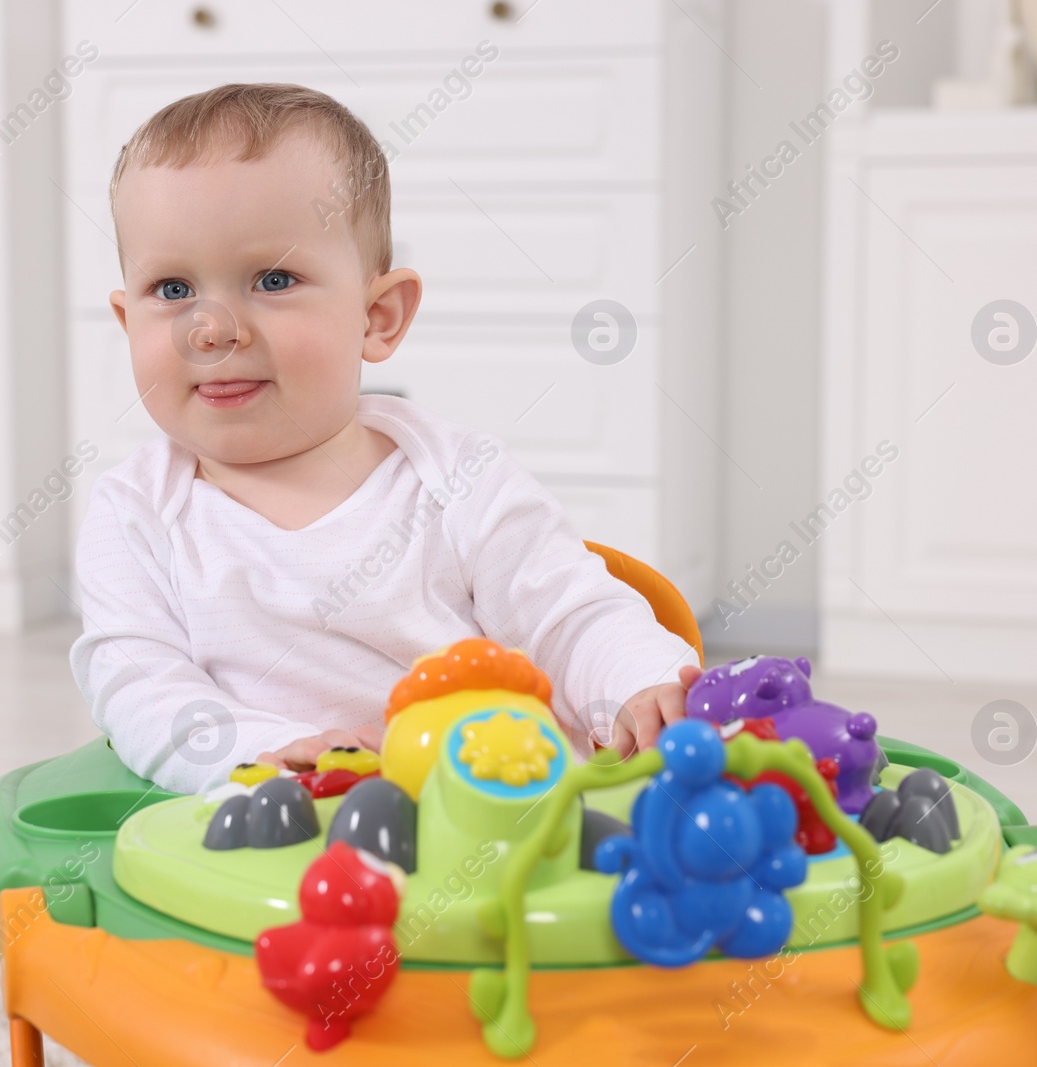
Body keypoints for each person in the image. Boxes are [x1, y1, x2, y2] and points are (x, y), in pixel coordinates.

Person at [71, 83, 699, 793]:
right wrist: (269, 751)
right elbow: (141, 686)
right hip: (274, 840)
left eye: (273, 279)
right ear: (128, 323)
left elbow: (573, 617)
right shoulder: (135, 515)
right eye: (174, 289)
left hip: (492, 823)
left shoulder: (459, 478)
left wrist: (645, 685)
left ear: (378, 317)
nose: (212, 328)